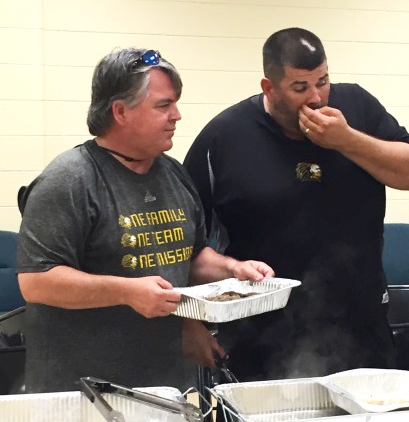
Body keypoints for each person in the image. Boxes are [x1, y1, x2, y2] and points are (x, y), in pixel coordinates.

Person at [17, 47, 274, 395]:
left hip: (166, 388)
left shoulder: (173, 174)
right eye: (163, 106)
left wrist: (233, 270)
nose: (177, 116)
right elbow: (37, 282)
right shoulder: (70, 180)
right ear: (120, 111)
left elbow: (192, 257)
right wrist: (127, 292)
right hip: (85, 393)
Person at [184, 27, 409, 389]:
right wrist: (189, 324)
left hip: (360, 321)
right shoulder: (224, 137)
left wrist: (347, 140)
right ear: (269, 88)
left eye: (323, 81)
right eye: (300, 87)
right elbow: (183, 247)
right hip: (260, 330)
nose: (316, 97)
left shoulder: (357, 107)